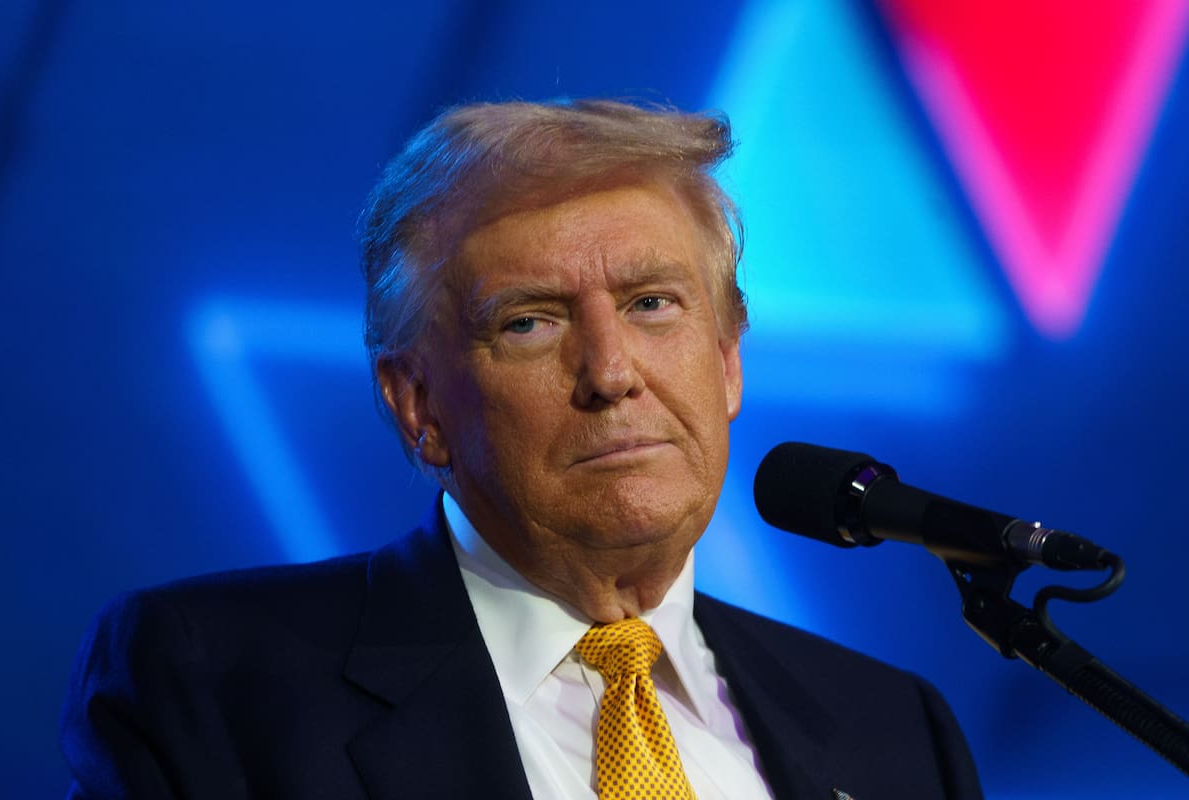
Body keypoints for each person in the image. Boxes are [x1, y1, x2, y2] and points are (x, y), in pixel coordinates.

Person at [62, 99, 983, 799]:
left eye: (652, 304)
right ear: (415, 402)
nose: (611, 373)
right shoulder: (217, 682)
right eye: (531, 322)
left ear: (729, 362)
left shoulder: (895, 730)